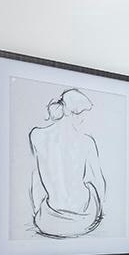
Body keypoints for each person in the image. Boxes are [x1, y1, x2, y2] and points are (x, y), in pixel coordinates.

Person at [27, 88, 106, 237]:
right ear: (72, 113)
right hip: (83, 220)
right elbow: (98, 182)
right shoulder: (87, 142)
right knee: (91, 185)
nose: (84, 119)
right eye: (82, 113)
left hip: (48, 221)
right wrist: (100, 210)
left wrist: (38, 212)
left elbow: (36, 178)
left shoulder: (36, 136)